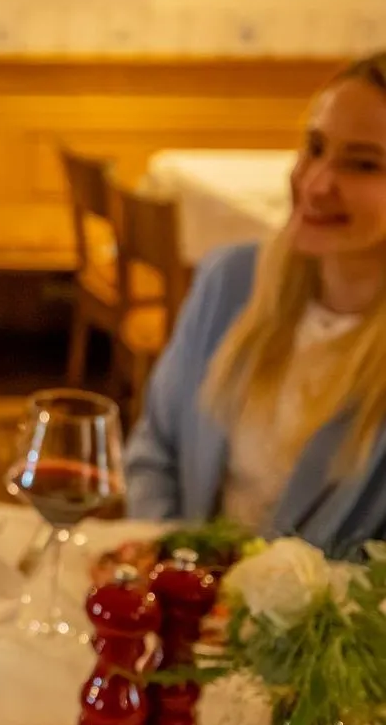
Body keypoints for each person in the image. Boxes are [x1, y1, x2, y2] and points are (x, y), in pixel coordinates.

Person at [126, 52, 386, 557]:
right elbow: (155, 447)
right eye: (314, 148)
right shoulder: (228, 280)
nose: (316, 183)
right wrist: (173, 569)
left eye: (364, 164)